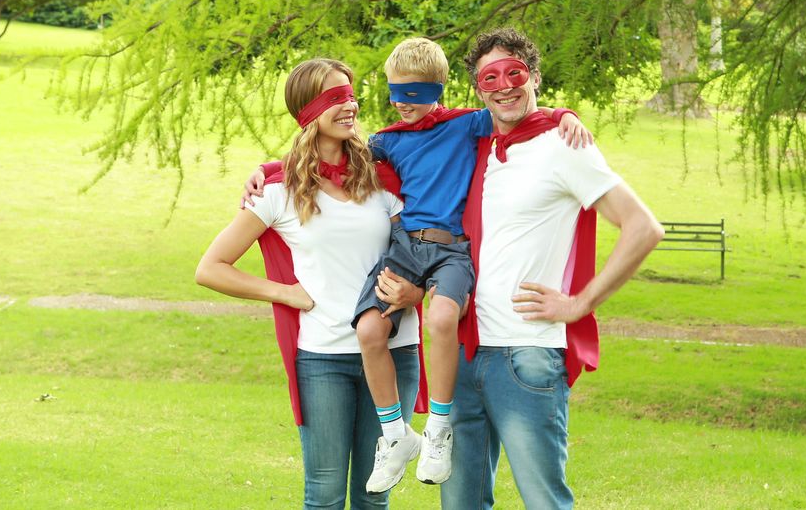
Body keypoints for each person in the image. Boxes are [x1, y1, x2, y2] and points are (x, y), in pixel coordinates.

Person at [246, 37, 593, 494]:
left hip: (451, 250)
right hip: (407, 250)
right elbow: (333, 159)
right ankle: (396, 436)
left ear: (439, 89)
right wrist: (270, 169)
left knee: (442, 318)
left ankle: (439, 428)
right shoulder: (385, 142)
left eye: (416, 93)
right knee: (369, 330)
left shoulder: (466, 126)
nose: (404, 104)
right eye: (396, 93)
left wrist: (563, 114)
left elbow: (516, 115)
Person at [437, 27, 665, 509]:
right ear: (479, 89)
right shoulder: (473, 144)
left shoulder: (563, 145)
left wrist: (580, 302)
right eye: (490, 78)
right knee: (460, 503)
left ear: (535, 76)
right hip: (462, 349)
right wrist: (271, 173)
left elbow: (643, 228)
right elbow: (398, 141)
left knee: (544, 502)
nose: (504, 85)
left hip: (528, 354)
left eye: (514, 73)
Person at [196, 57, 426, 509]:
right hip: (324, 359)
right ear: (307, 111)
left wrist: (416, 293)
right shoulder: (278, 190)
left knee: (373, 497)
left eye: (350, 94)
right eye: (334, 97)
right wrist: (284, 293)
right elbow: (211, 267)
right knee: (322, 495)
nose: (350, 105)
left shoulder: (384, 176)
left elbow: (426, 251)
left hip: (395, 351)